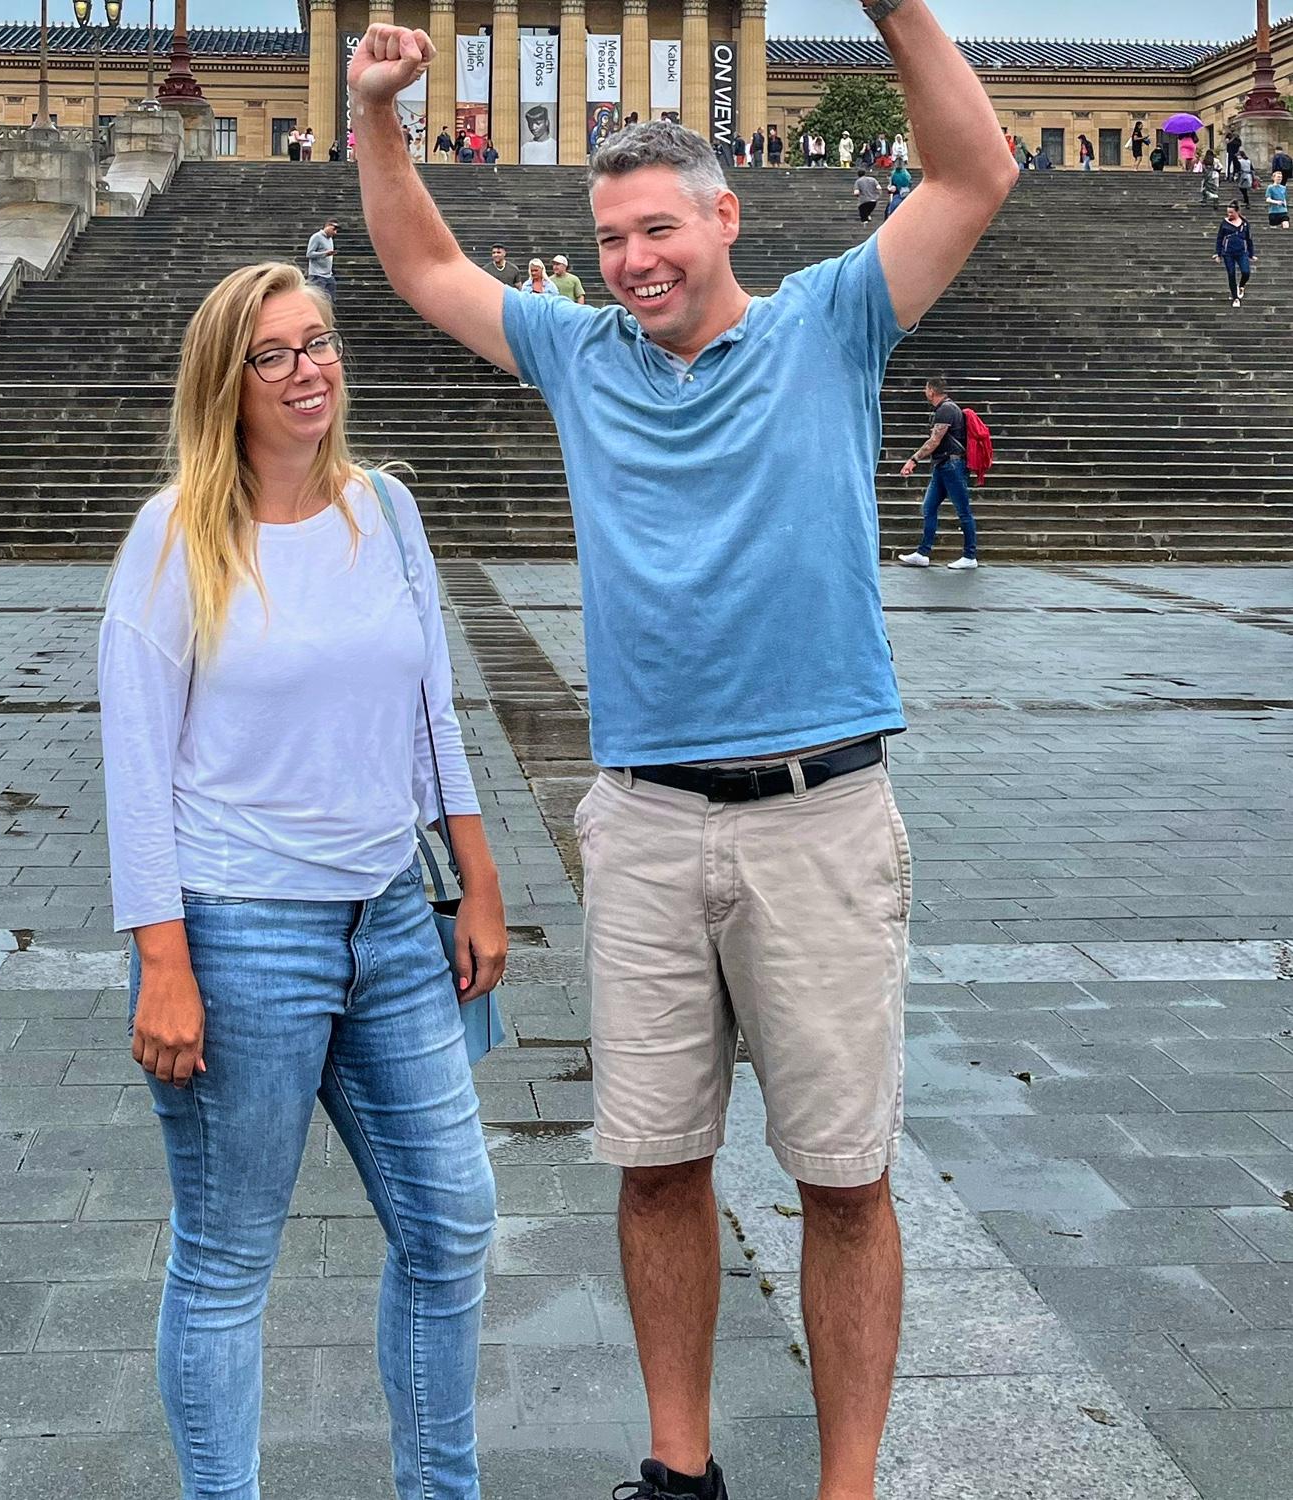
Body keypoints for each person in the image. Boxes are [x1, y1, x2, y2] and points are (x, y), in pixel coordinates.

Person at [349, 6, 1018, 1494]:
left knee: (842, 1174)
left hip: (819, 810)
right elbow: (422, 268)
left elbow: (974, 175)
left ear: (728, 216)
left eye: (660, 229)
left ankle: (848, 1484)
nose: (634, 261)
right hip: (645, 821)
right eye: (611, 239)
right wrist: (377, 113)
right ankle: (678, 1468)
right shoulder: (582, 357)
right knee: (655, 1164)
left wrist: (896, 11)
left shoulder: (832, 320)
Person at [99, 260, 504, 1500]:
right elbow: (135, 763)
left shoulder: (385, 509)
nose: (305, 370)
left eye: (317, 342)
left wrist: (477, 882)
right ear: (227, 382)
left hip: (388, 919)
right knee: (227, 1258)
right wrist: (162, 963)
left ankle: (442, 1489)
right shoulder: (175, 535)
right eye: (272, 354)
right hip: (236, 933)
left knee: (453, 1227)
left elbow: (434, 707)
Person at [896, 376, 978, 569]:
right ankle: (923, 553)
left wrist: (913, 459)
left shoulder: (946, 409)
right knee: (929, 507)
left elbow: (934, 441)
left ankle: (970, 555)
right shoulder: (945, 409)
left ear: (931, 390)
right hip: (943, 465)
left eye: (926, 389)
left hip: (952, 465)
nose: (925, 392)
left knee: (963, 511)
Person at [1215, 202, 1256, 305]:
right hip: (1228, 252)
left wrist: (1251, 253)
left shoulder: (1245, 223)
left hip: (1242, 252)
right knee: (1231, 274)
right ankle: (1235, 297)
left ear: (1237, 212)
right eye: (1228, 212)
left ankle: (1241, 285)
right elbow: (1219, 238)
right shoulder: (1224, 223)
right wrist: (1218, 253)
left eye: (1231, 213)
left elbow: (1249, 239)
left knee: (1246, 272)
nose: (1229, 215)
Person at [305, 217, 338, 302]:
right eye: (333, 229)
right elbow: (309, 254)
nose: (335, 232)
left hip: (328, 275)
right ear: (327, 226)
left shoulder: (330, 239)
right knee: (318, 301)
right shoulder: (316, 237)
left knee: (330, 300)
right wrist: (325, 254)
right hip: (317, 275)